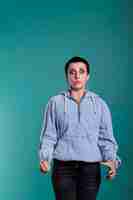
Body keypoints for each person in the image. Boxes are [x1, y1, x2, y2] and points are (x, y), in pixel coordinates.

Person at [38, 56, 121, 200]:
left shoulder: (100, 104)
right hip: (63, 168)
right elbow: (49, 136)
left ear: (87, 76)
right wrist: (45, 158)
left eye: (81, 71)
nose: (77, 75)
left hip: (90, 169)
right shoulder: (55, 103)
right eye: (72, 72)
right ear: (67, 76)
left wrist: (112, 160)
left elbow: (105, 138)